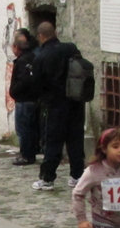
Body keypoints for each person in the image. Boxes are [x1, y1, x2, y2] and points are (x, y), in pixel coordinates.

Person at [30, 22, 86, 191]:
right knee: (75, 140)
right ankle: (77, 176)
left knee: (53, 141)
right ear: (55, 32)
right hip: (75, 101)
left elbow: (37, 84)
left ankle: (48, 179)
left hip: (54, 104)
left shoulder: (41, 56)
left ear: (41, 36)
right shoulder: (70, 48)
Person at [9, 31, 39, 166]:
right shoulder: (32, 57)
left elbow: (24, 80)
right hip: (32, 99)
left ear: (16, 47)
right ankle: (28, 152)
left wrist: (14, 91)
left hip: (24, 100)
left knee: (24, 129)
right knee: (29, 128)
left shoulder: (23, 61)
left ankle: (27, 154)